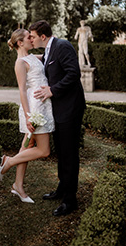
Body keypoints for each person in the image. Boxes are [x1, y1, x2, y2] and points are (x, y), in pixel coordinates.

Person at [29, 20, 86, 216]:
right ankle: (62, 188)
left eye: (33, 36)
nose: (31, 39)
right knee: (61, 151)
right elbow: (46, 61)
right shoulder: (49, 51)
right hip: (58, 110)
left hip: (70, 108)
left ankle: (70, 200)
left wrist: (53, 90)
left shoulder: (63, 46)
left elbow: (74, 73)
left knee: (69, 154)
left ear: (42, 36)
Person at [0, 28, 55, 204]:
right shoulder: (20, 63)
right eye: (28, 37)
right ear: (20, 43)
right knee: (44, 151)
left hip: (43, 105)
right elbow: (22, 91)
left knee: (27, 145)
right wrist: (29, 116)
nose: (32, 39)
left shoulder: (33, 57)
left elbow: (49, 57)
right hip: (34, 109)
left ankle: (18, 185)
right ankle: (8, 162)